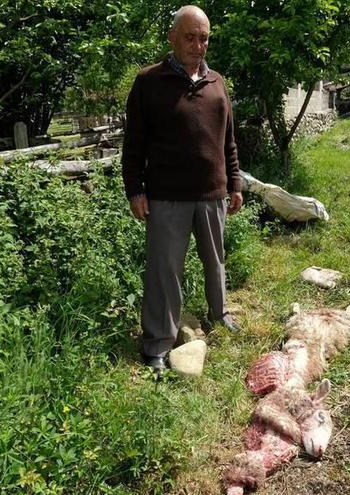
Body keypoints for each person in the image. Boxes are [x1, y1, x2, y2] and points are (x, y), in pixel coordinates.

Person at [121, 5, 243, 375]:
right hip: (166, 195)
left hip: (212, 194)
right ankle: (157, 343)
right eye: (190, 36)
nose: (197, 45)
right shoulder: (148, 82)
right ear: (172, 36)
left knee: (215, 261)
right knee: (165, 270)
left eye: (204, 38)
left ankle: (219, 313)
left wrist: (235, 182)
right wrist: (135, 190)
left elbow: (229, 142)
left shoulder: (217, 83)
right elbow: (134, 144)